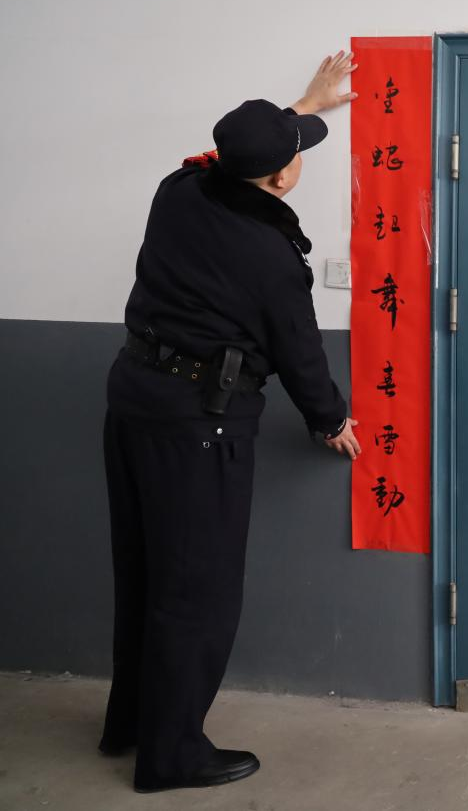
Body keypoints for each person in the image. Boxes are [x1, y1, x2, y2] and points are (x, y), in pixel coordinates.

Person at [99, 53, 363, 793]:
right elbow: (300, 352)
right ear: (280, 178)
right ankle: (172, 755)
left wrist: (305, 105)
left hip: (133, 402)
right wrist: (330, 418)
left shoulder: (179, 188)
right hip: (199, 426)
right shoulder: (269, 256)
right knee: (197, 593)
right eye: (294, 154)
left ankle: (132, 726)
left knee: (146, 574)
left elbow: (242, 152)